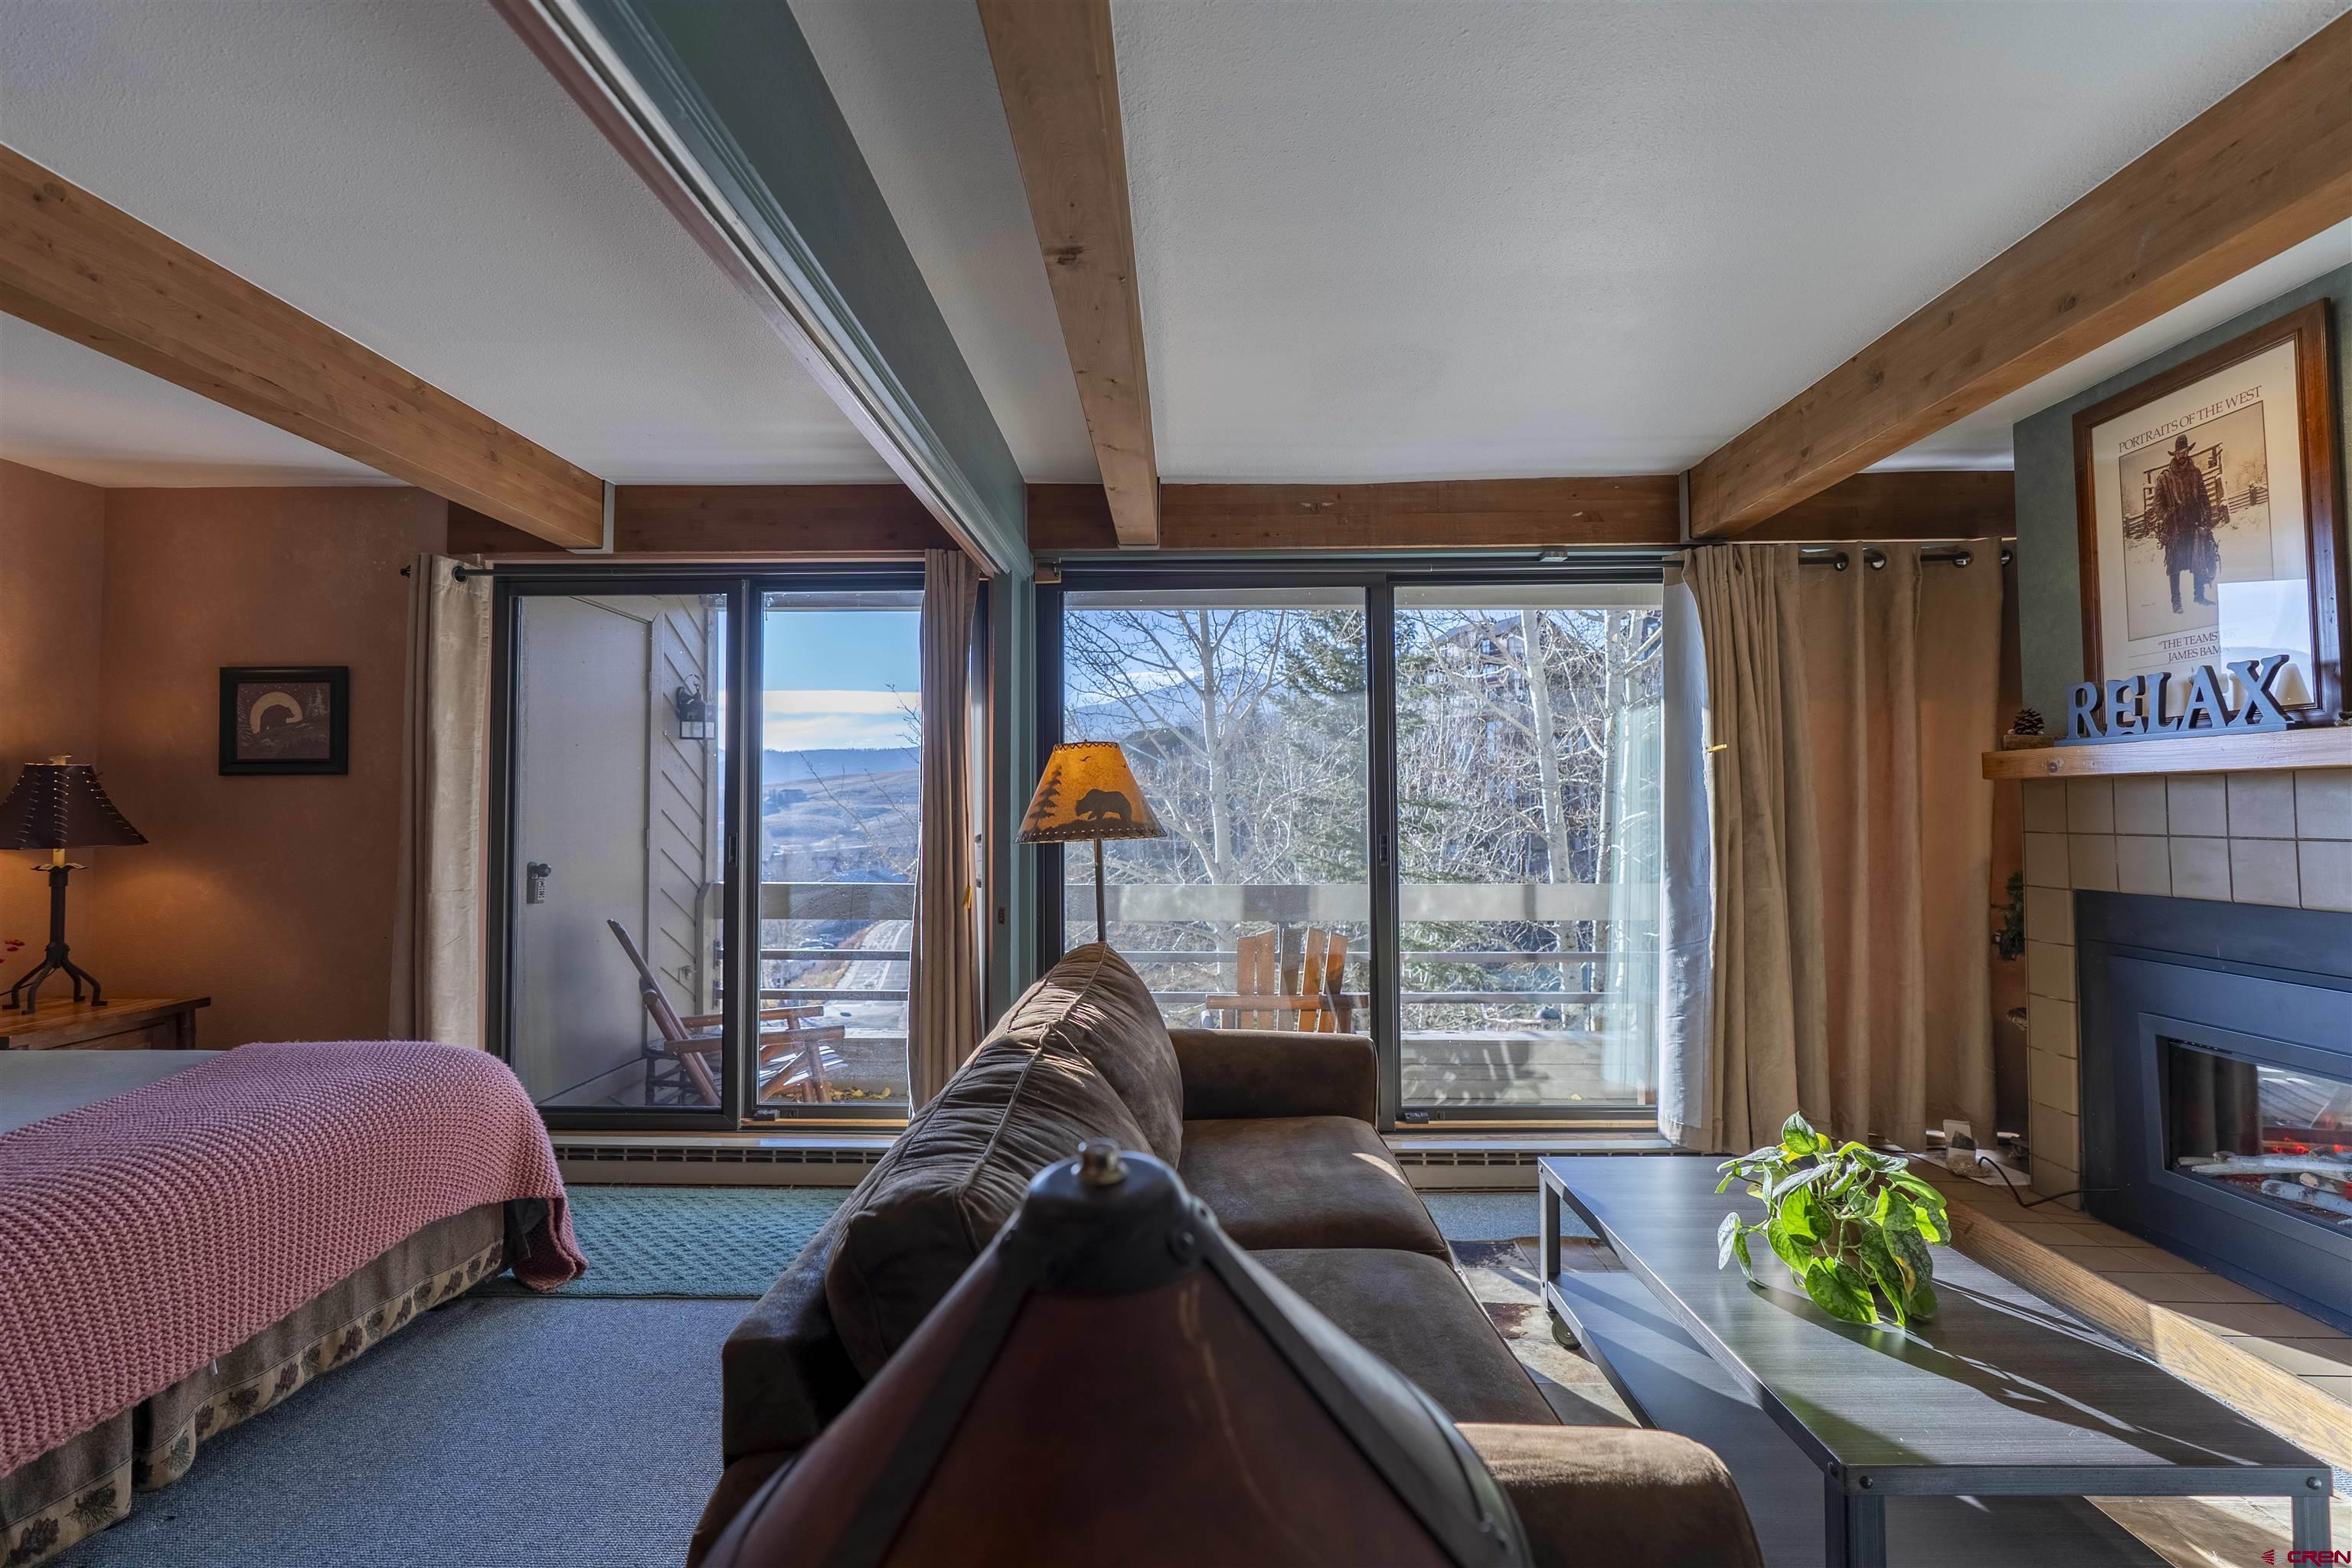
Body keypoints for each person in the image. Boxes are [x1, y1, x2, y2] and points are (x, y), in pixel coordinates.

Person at [2151, 433, 2220, 615]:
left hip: (2195, 525)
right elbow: (2157, 504)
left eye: (2185, 451)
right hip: (2175, 529)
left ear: (2188, 451)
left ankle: (2199, 596)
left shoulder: (2196, 473)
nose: (2182, 455)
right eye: (2178, 452)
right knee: (2174, 566)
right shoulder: (2165, 477)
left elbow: (2204, 497)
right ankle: (2176, 602)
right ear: (2174, 454)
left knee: (2198, 560)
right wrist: (2167, 514)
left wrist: (2207, 519)